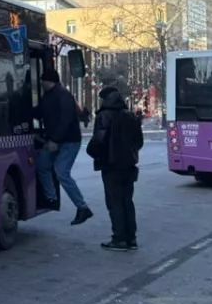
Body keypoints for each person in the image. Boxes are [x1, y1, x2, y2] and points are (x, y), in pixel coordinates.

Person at [86, 85, 144, 251]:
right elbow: (139, 142)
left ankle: (119, 238)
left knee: (114, 201)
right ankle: (131, 238)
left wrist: (93, 152)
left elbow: (99, 140)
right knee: (127, 201)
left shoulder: (104, 116)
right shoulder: (130, 116)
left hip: (111, 165)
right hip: (128, 165)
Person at [38, 69, 94, 225]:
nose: (41, 83)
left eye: (43, 80)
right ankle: (51, 198)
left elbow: (66, 119)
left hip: (69, 141)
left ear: (48, 81)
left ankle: (82, 208)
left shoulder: (62, 95)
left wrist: (55, 140)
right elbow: (41, 112)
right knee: (42, 165)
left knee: (62, 172)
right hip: (56, 140)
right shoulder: (48, 96)